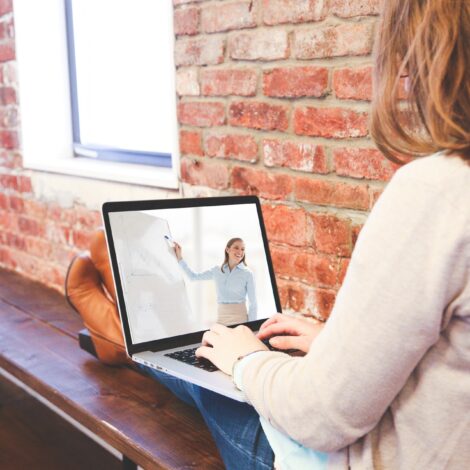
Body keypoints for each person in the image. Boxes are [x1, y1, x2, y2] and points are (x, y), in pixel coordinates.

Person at [140, 0, 470, 468]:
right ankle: (117, 328)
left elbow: (322, 418)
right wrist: (339, 348)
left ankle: (111, 330)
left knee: (199, 380)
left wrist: (248, 360)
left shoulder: (440, 190)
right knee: (201, 353)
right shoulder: (218, 269)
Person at [174, 238, 257, 325]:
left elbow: (253, 304)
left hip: (241, 319)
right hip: (222, 319)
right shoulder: (217, 270)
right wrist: (180, 258)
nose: (240, 252)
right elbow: (193, 277)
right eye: (236, 248)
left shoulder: (248, 274)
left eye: (242, 249)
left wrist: (252, 326)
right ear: (227, 249)